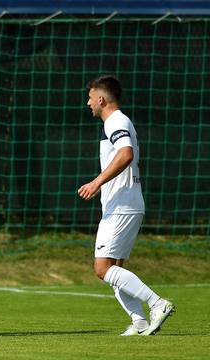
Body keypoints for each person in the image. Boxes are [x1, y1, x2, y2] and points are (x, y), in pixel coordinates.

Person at [78, 75, 175, 336]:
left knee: (103, 269)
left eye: (90, 97)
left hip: (121, 207)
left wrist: (96, 182)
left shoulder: (116, 121)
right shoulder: (117, 122)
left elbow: (126, 153)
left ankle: (158, 303)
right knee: (115, 268)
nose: (88, 103)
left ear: (101, 98)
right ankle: (139, 321)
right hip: (126, 205)